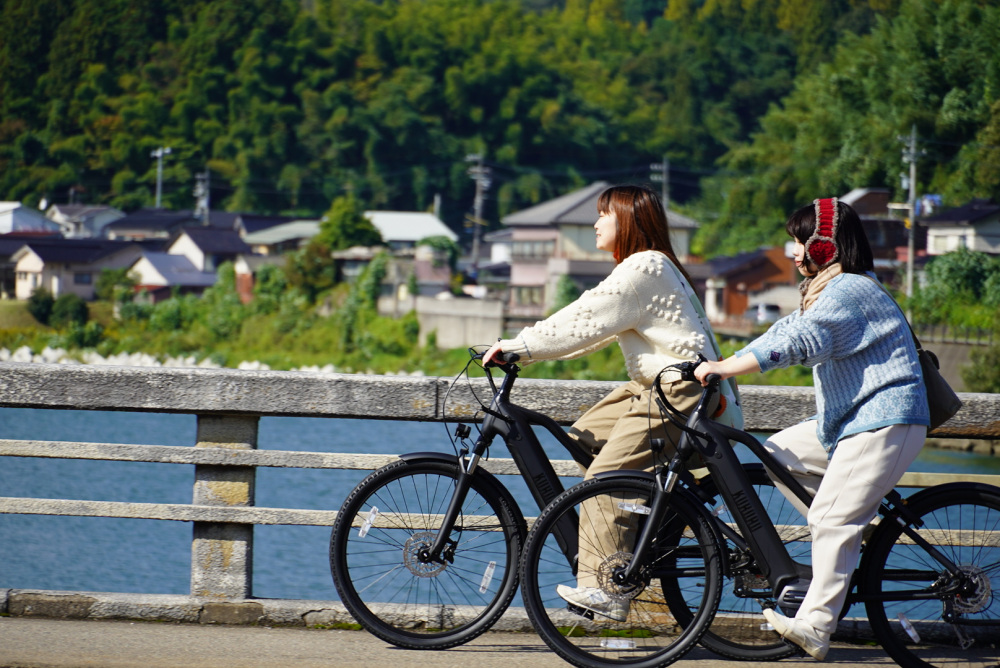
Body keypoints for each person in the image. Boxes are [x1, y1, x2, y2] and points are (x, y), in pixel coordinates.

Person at [484, 184, 741, 622]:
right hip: (658, 387)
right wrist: (525, 347)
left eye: (605, 214)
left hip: (680, 390)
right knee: (584, 438)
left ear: (628, 222)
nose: (598, 222)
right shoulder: (648, 265)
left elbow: (583, 319)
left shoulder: (643, 267)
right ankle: (642, 523)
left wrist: (518, 346)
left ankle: (607, 590)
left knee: (604, 476)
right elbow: (593, 328)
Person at [694, 197, 929, 660]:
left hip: (885, 420)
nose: (793, 250)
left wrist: (728, 369)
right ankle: (844, 540)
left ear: (827, 242)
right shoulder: (826, 288)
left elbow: (800, 343)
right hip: (852, 422)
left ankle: (817, 628)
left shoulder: (850, 291)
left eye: (801, 240)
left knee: (830, 518)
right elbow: (783, 330)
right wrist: (720, 361)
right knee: (778, 453)